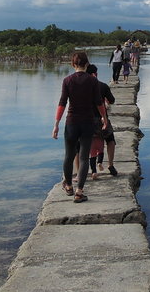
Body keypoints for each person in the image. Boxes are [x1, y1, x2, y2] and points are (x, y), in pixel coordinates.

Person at [52, 51, 107, 203]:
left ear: (73, 64)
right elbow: (99, 103)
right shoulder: (92, 81)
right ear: (87, 64)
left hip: (71, 123)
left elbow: (62, 103)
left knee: (69, 156)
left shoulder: (67, 80)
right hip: (87, 123)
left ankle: (68, 186)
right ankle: (79, 192)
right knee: (83, 158)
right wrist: (104, 118)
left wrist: (56, 124)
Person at [86, 63, 119, 176]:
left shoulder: (81, 87)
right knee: (110, 140)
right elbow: (112, 100)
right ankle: (110, 164)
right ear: (96, 73)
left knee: (79, 145)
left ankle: (81, 170)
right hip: (101, 119)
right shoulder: (103, 86)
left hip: (86, 121)